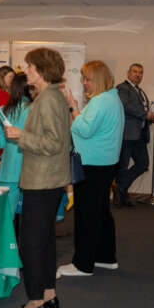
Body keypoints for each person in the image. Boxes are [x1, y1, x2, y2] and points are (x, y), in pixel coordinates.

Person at [3, 47, 70, 308]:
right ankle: (48, 294)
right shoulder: (51, 96)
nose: (26, 71)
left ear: (41, 70)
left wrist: (21, 135)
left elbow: (53, 143)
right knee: (44, 241)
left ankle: (35, 299)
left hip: (43, 181)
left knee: (30, 244)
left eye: (30, 67)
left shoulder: (49, 99)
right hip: (47, 180)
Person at [59, 60, 124, 277]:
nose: (84, 83)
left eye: (87, 79)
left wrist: (73, 107)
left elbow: (85, 129)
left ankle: (83, 264)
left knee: (86, 214)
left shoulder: (100, 101)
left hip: (93, 164)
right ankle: (105, 257)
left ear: (98, 79)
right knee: (101, 211)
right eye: (84, 79)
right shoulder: (112, 98)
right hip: (105, 164)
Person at [0, 72, 31, 221]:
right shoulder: (34, 109)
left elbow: (0, 143)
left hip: (8, 170)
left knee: (6, 218)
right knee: (33, 218)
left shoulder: (3, 110)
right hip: (30, 169)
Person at [114, 63, 150, 208]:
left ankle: (120, 187)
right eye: (135, 72)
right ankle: (122, 197)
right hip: (127, 134)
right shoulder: (122, 88)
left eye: (140, 72)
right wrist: (145, 114)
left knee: (143, 163)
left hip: (139, 134)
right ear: (128, 73)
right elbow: (125, 106)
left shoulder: (139, 90)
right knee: (123, 166)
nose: (138, 75)